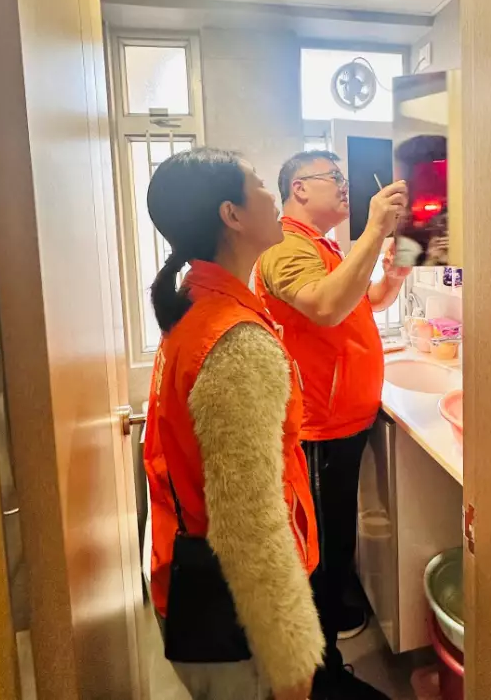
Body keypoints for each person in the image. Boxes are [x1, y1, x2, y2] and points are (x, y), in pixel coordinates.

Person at [144, 148, 324, 700]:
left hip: (195, 579)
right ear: (232, 215)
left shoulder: (196, 306)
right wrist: (291, 657)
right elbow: (250, 528)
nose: (275, 196)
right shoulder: (234, 340)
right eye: (260, 185)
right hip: (239, 618)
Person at [255, 151, 409, 700]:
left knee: (337, 540)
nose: (345, 186)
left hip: (345, 420)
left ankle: (330, 633)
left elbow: (364, 301)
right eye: (334, 178)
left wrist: (393, 272)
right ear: (300, 187)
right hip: (319, 427)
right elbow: (323, 306)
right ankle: (321, 677)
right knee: (320, 553)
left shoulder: (321, 246)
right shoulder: (284, 247)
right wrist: (373, 230)